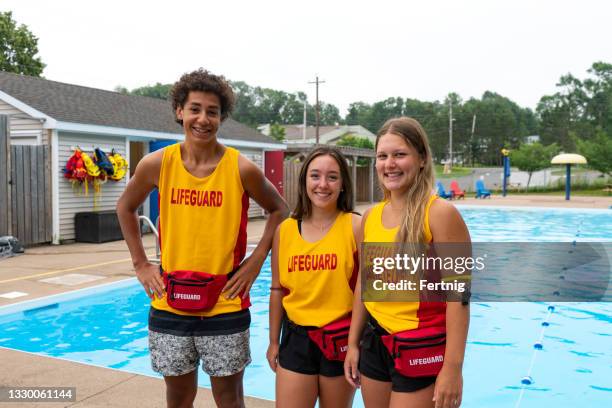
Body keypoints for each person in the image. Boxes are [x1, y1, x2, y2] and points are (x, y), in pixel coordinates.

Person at [117, 69, 288, 408]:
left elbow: (279, 210)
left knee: (229, 400)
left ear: (221, 117)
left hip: (225, 301)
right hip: (169, 301)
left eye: (212, 111)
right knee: (179, 399)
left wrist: (254, 264)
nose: (203, 119)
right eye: (195, 108)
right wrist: (141, 264)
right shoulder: (157, 164)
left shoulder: (241, 168)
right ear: (180, 111)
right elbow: (125, 207)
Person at [344, 117, 470, 408]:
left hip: (420, 346)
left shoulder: (440, 214)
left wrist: (453, 368)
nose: (390, 164)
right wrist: (353, 343)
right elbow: (365, 284)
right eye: (382, 156)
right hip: (375, 342)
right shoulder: (371, 217)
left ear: (422, 159)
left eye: (400, 154)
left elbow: (459, 297)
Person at [267, 147, 361, 408]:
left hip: (340, 339)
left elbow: (370, 289)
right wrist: (274, 341)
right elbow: (277, 289)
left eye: (332, 177)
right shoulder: (285, 230)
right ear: (304, 181)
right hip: (296, 338)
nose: (323, 184)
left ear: (343, 184)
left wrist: (356, 344)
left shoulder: (355, 226)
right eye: (315, 176)